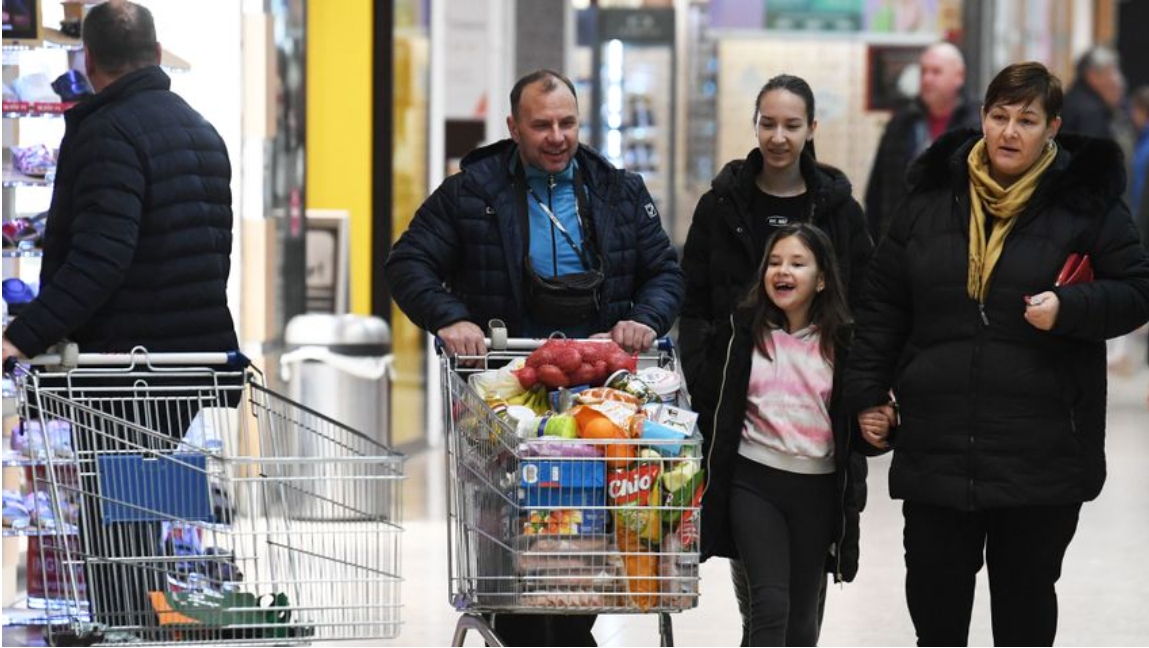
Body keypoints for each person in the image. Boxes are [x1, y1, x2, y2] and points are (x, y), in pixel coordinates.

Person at [846, 61, 1149, 646]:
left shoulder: (1086, 203)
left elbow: (1138, 289)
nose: (1010, 132)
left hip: (1041, 449)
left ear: (1052, 128)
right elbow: (882, 303)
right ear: (982, 118)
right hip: (938, 439)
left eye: (1027, 120)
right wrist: (867, 394)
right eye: (999, 116)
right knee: (935, 609)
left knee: (1025, 607)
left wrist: (1070, 308)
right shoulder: (932, 197)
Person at [385, 69, 684, 646]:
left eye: (567, 123)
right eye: (541, 124)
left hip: (600, 400)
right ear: (513, 128)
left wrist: (645, 319)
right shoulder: (472, 194)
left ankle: (568, 632)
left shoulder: (619, 191)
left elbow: (665, 272)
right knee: (509, 543)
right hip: (507, 396)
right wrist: (450, 317)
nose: (556, 136)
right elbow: (408, 263)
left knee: (582, 540)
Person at [1, 0, 238, 634]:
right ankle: (137, 625)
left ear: (88, 61)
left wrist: (19, 338)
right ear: (157, 55)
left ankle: (127, 630)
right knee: (136, 515)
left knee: (116, 526)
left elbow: (100, 260)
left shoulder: (109, 132)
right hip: (184, 361)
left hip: (121, 365)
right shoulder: (199, 128)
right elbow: (215, 244)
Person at [678, 73, 873, 645]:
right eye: (768, 123)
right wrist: (708, 377)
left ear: (812, 129)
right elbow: (692, 301)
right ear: (754, 124)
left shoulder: (838, 209)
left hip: (817, 435)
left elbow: (866, 303)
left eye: (792, 125)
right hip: (744, 424)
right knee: (764, 600)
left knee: (800, 616)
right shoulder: (721, 205)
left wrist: (865, 392)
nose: (779, 137)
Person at [691, 223, 885, 646]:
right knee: (770, 607)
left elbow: (864, 422)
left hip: (817, 490)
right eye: (775, 262)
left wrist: (880, 427)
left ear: (822, 279)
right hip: (754, 483)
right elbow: (713, 407)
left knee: (801, 625)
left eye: (798, 263)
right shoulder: (742, 334)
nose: (784, 271)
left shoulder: (844, 343)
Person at [865, 42, 981, 241]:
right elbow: (877, 189)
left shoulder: (977, 125)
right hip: (901, 241)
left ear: (959, 76)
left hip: (958, 243)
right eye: (924, 71)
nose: (927, 79)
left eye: (936, 72)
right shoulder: (901, 123)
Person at [1061, 46, 1126, 140]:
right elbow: (1095, 153)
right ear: (1093, 76)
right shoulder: (1090, 112)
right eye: (1111, 73)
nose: (1117, 81)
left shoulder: (1071, 98)